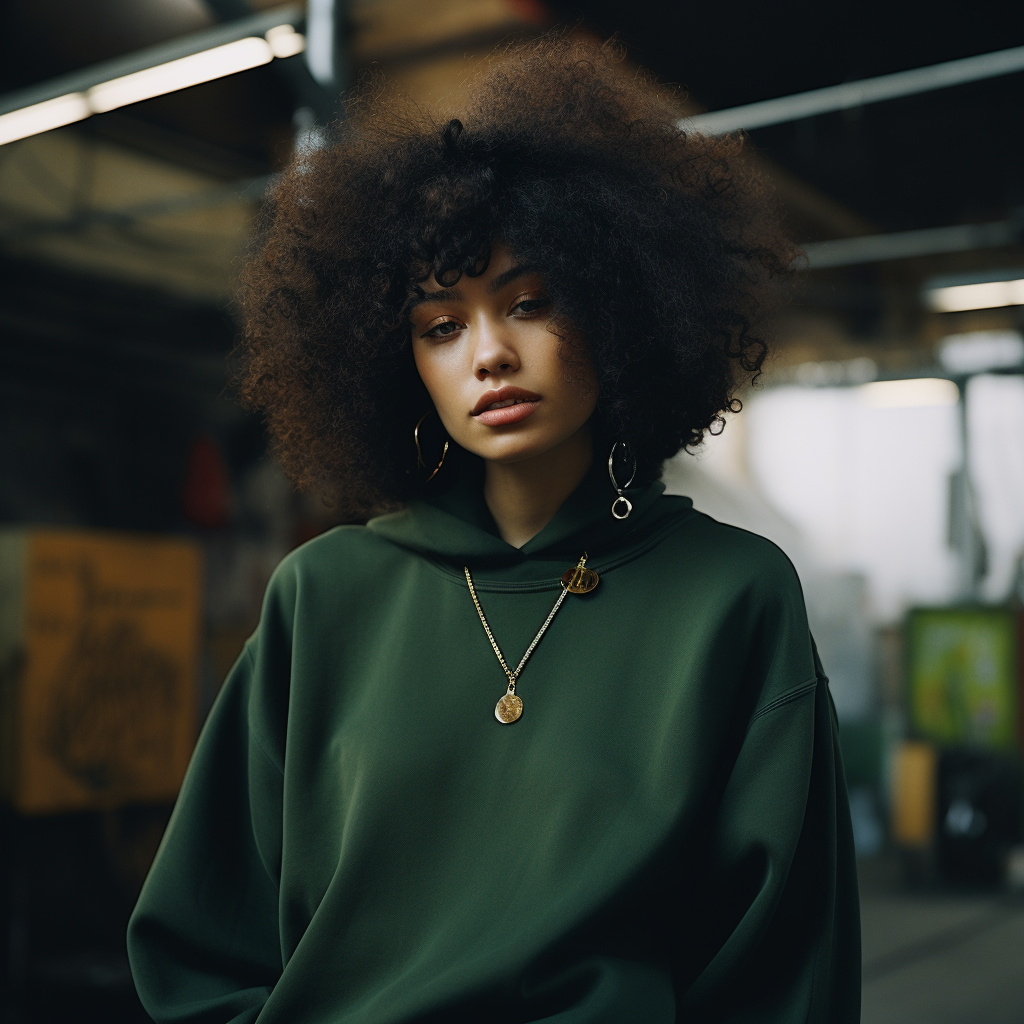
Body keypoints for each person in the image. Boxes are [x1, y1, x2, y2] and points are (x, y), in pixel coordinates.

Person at [127, 35, 860, 1024]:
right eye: (441, 325)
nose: (490, 355)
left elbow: (787, 966)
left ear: (617, 307)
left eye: (530, 303)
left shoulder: (732, 595)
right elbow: (197, 940)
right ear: (398, 362)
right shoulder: (323, 593)